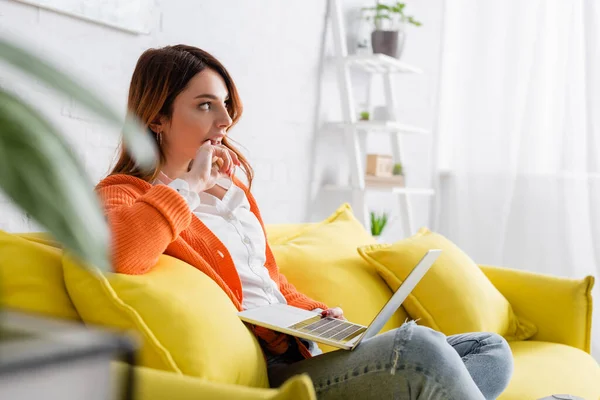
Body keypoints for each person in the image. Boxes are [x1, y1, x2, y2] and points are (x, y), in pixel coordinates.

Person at [97, 44, 514, 400]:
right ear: (156, 118)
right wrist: (187, 187)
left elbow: (267, 283)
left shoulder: (232, 192)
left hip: (304, 348)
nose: (224, 121)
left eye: (225, 104)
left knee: (488, 349)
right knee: (420, 348)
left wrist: (315, 313)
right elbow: (121, 252)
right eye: (205, 105)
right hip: (275, 372)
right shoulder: (125, 192)